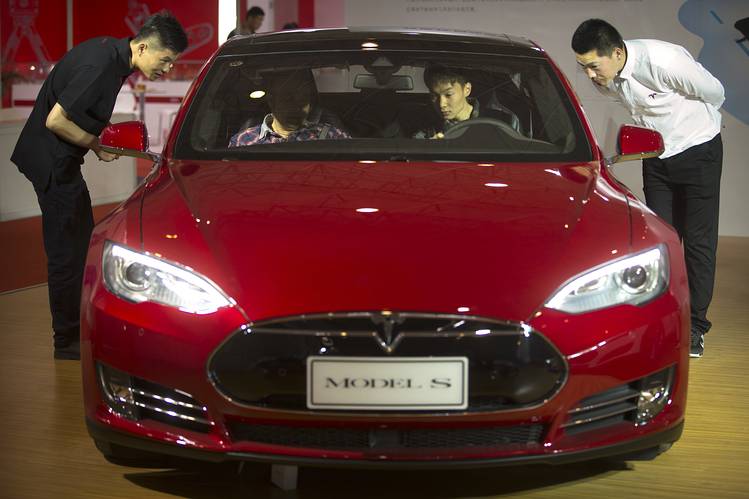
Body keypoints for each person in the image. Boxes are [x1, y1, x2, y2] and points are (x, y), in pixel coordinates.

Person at [10, 12, 188, 360]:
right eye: (165, 60)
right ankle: (66, 341)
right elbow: (56, 120)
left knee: (81, 243)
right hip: (51, 165)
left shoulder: (113, 56)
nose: (167, 69)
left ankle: (79, 328)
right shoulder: (101, 65)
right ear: (142, 46)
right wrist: (97, 144)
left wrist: (95, 145)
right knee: (68, 253)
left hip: (62, 163)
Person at [571, 19, 725, 358]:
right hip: (656, 156)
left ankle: (696, 326)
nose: (591, 76)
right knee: (661, 240)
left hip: (699, 151)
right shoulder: (606, 78)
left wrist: (690, 127)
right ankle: (662, 318)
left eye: (593, 66)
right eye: (584, 68)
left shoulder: (664, 61)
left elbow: (715, 92)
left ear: (616, 52)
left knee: (698, 241)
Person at [228, 70, 349, 147]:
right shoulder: (243, 141)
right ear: (271, 101)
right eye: (288, 99)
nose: (297, 108)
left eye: (303, 99)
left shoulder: (332, 136)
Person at [414, 64, 521, 139]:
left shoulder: (504, 122)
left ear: (467, 89)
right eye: (434, 96)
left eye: (449, 95)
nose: (442, 104)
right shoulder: (425, 127)